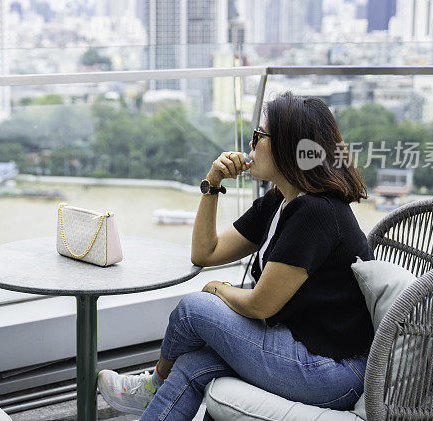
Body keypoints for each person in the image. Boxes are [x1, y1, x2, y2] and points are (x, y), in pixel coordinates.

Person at [97, 91, 374, 420]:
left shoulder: (316, 212)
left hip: (335, 372)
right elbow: (205, 251)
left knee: (193, 309)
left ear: (287, 145)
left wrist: (217, 288)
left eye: (259, 136)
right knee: (191, 364)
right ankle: (155, 393)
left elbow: (260, 305)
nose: (251, 145)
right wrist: (212, 182)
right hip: (300, 348)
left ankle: (152, 386)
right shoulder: (278, 202)